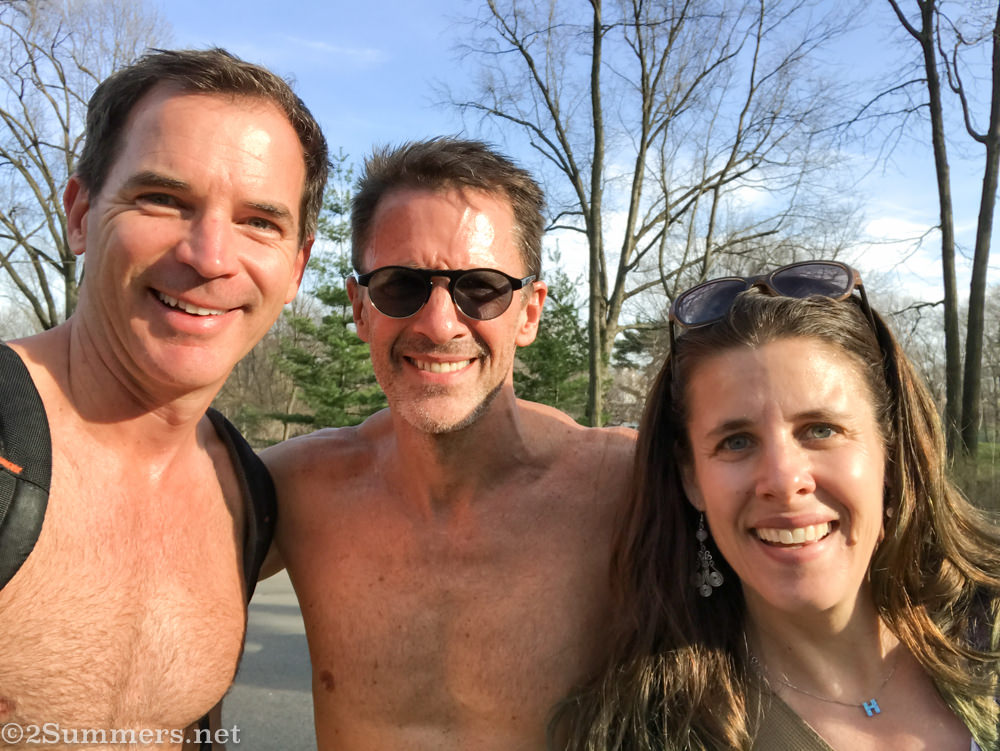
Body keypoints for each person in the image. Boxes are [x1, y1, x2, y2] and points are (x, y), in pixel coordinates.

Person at [262, 138, 636, 750]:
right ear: (360, 308)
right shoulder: (295, 491)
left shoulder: (623, 489)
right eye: (401, 286)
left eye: (482, 287)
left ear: (529, 312)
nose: (438, 324)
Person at [0, 48, 327, 748]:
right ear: (82, 213)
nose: (210, 256)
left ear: (296, 265)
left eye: (260, 221)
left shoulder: (247, 495)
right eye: (163, 199)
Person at [556, 260, 1000, 751]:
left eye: (821, 430)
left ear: (890, 454)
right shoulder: (643, 734)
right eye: (737, 441)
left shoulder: (989, 638)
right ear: (691, 478)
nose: (785, 481)